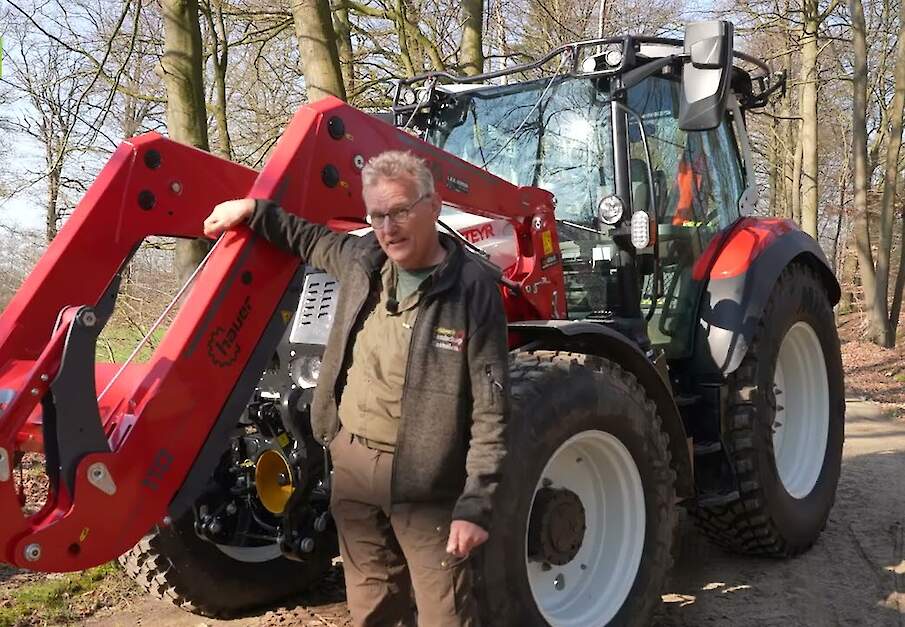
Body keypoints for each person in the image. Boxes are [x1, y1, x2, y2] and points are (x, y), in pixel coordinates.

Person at [203, 150, 509, 627]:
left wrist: (476, 503)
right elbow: (306, 237)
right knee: (371, 602)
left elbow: (491, 408)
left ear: (434, 205)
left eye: (401, 211)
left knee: (446, 611)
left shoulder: (471, 291)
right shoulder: (361, 260)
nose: (389, 227)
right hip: (352, 464)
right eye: (378, 215)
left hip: (427, 482)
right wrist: (253, 212)